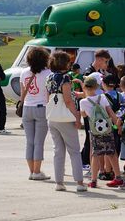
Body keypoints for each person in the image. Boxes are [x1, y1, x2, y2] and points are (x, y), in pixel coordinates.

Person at [45, 51, 87, 192]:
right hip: (66, 118)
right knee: (74, 151)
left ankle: (59, 182)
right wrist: (77, 117)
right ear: (65, 63)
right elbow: (68, 100)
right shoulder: (66, 78)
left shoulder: (49, 77)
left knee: (58, 150)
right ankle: (80, 183)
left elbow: (48, 98)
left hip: (52, 117)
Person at [80, 76, 123, 188]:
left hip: (95, 131)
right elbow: (111, 113)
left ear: (84, 87)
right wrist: (118, 126)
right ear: (96, 87)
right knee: (111, 152)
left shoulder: (83, 102)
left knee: (95, 154)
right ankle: (118, 177)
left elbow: (84, 115)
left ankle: (94, 180)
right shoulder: (103, 97)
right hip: (107, 129)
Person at [20, 47, 52, 181]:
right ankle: (37, 171)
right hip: (42, 108)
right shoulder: (48, 74)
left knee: (30, 141)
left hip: (27, 108)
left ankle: (32, 171)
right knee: (39, 142)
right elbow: (49, 94)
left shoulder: (24, 73)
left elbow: (22, 92)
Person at [81, 49, 111, 168]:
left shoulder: (98, 72)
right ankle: (86, 161)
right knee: (90, 136)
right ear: (99, 60)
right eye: (105, 61)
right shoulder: (89, 73)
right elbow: (86, 91)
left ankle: (87, 161)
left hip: (96, 109)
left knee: (93, 136)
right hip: (89, 109)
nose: (106, 64)